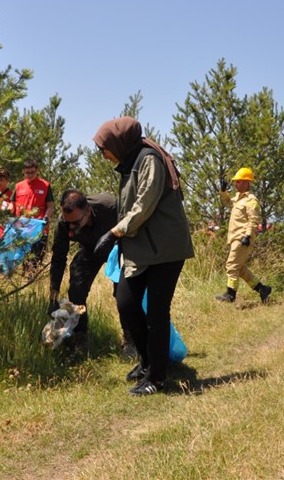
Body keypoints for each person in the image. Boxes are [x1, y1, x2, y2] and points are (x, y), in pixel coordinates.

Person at [92, 117, 194, 396]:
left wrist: (114, 233)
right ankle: (147, 362)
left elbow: (144, 203)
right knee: (127, 304)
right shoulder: (130, 161)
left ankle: (157, 377)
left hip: (165, 249)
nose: (103, 154)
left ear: (118, 142)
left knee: (157, 314)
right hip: (141, 249)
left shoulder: (148, 159)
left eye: (104, 148)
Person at [48, 189, 134, 354]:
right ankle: (80, 338)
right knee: (76, 290)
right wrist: (54, 294)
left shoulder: (111, 207)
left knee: (124, 293)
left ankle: (130, 339)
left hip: (118, 248)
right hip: (90, 250)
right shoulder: (64, 222)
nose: (71, 226)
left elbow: (133, 228)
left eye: (76, 222)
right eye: (68, 222)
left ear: (87, 211)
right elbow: (58, 258)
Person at [215, 167, 272, 304]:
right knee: (240, 269)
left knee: (231, 265)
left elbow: (253, 220)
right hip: (235, 238)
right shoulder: (238, 199)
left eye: (239, 181)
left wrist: (247, 236)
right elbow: (227, 203)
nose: (236, 184)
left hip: (242, 238)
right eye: (235, 181)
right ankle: (262, 289)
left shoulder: (251, 200)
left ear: (247, 182)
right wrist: (223, 192)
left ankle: (230, 295)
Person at [11, 159, 55, 266]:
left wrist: (46, 217)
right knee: (21, 258)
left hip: (38, 227)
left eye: (33, 172)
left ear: (37, 171)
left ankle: (32, 279)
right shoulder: (18, 186)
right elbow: (12, 205)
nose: (30, 175)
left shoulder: (45, 185)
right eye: (27, 173)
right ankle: (23, 280)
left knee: (35, 259)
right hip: (22, 228)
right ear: (23, 172)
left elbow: (51, 206)